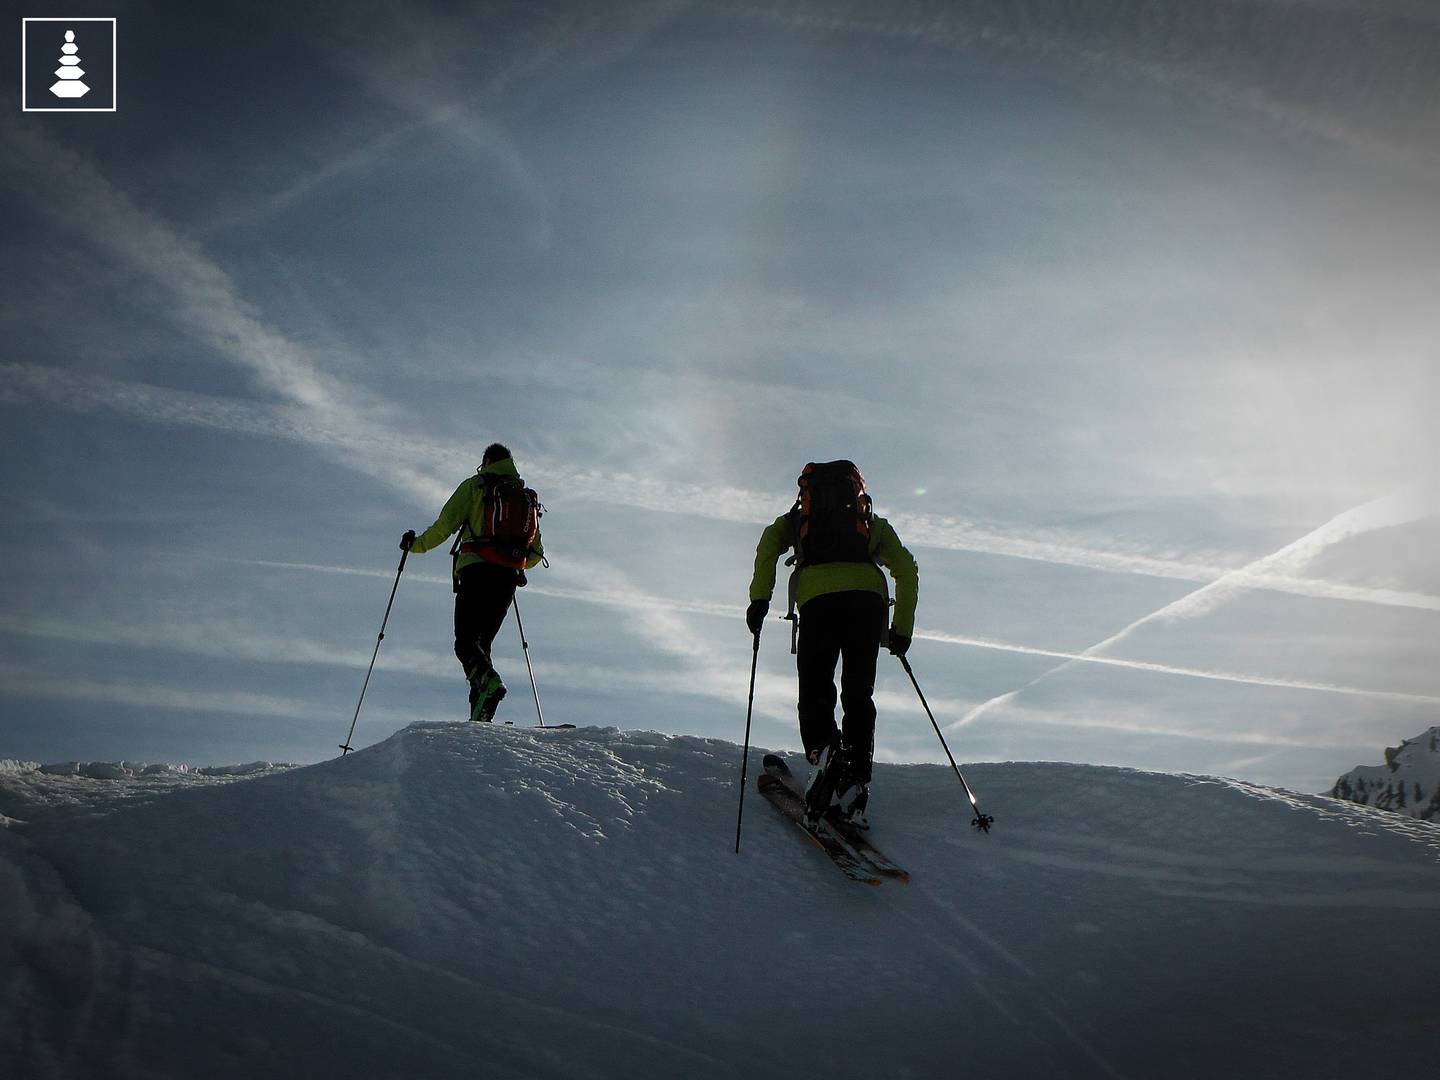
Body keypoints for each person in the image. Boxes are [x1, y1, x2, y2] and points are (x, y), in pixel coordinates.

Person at [747, 460, 918, 827]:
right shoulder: (870, 523)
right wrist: (901, 629)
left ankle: (824, 751)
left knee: (816, 687)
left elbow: (767, 546)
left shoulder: (797, 522)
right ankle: (854, 778)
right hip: (866, 604)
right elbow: (906, 568)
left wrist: (759, 599)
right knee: (858, 693)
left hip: (818, 602)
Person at [401, 443, 545, 723]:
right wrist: (515, 562)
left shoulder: (475, 486)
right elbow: (536, 552)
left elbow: (444, 526)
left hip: (476, 570)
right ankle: (480, 716)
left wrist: (414, 546)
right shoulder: (525, 498)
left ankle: (490, 685)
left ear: (486, 461)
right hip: (507, 577)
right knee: (482, 646)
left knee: (466, 643)